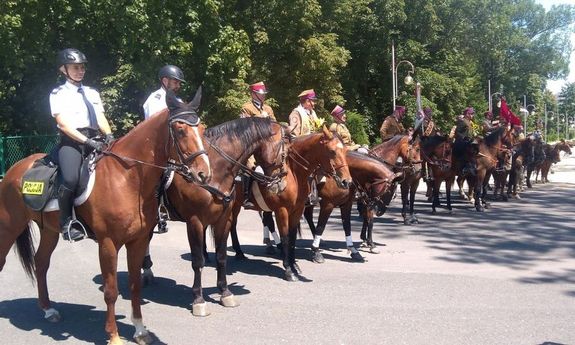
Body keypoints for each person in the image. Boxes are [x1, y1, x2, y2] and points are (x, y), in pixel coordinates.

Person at [50, 48, 114, 242]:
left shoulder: (92, 92)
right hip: (73, 142)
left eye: (82, 67)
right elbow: (63, 124)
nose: (80, 71)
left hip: (96, 139)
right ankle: (67, 223)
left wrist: (109, 134)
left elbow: (100, 116)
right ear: (64, 69)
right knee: (70, 178)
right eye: (75, 67)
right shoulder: (58, 93)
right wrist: (86, 141)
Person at [239, 81, 276, 209]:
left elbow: (274, 125)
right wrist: (261, 120)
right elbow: (245, 128)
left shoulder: (268, 109)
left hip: (267, 144)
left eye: (264, 93)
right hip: (252, 144)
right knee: (250, 166)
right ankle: (247, 197)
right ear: (253, 94)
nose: (263, 96)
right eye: (261, 93)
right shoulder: (247, 107)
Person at [454, 107, 478, 176]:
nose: (472, 115)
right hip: (461, 142)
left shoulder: (468, 122)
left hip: (468, 141)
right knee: (467, 150)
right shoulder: (462, 121)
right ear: (467, 114)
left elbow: (469, 133)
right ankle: (465, 167)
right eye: (472, 114)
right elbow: (457, 132)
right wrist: (464, 138)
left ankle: (473, 166)